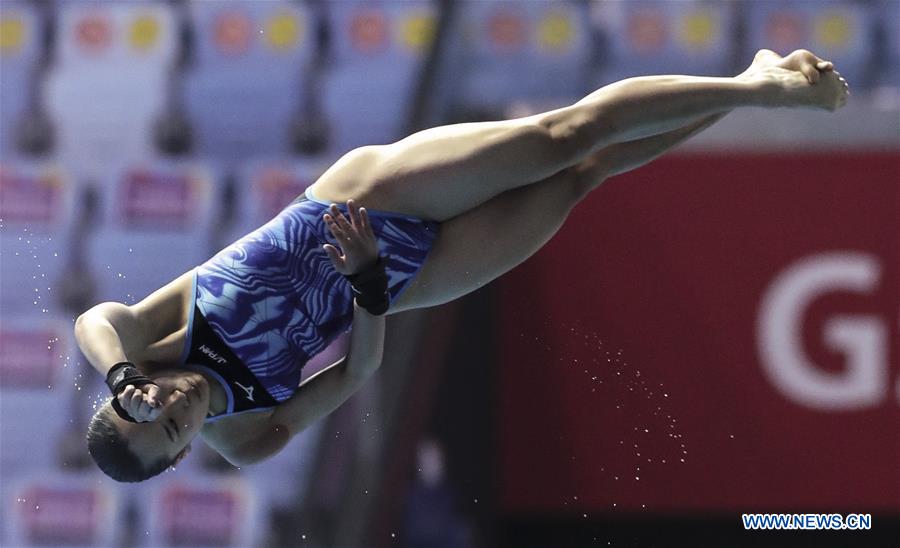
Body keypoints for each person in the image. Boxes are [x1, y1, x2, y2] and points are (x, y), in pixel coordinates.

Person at [77, 49, 849, 482]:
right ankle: (749, 90)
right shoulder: (241, 438)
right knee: (583, 178)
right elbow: (351, 378)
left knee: (561, 138)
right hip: (397, 281)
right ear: (182, 453)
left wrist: (120, 381)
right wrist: (371, 290)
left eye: (153, 410)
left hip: (359, 199)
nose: (174, 410)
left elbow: (94, 319)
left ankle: (758, 87)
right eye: (173, 431)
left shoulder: (147, 345)